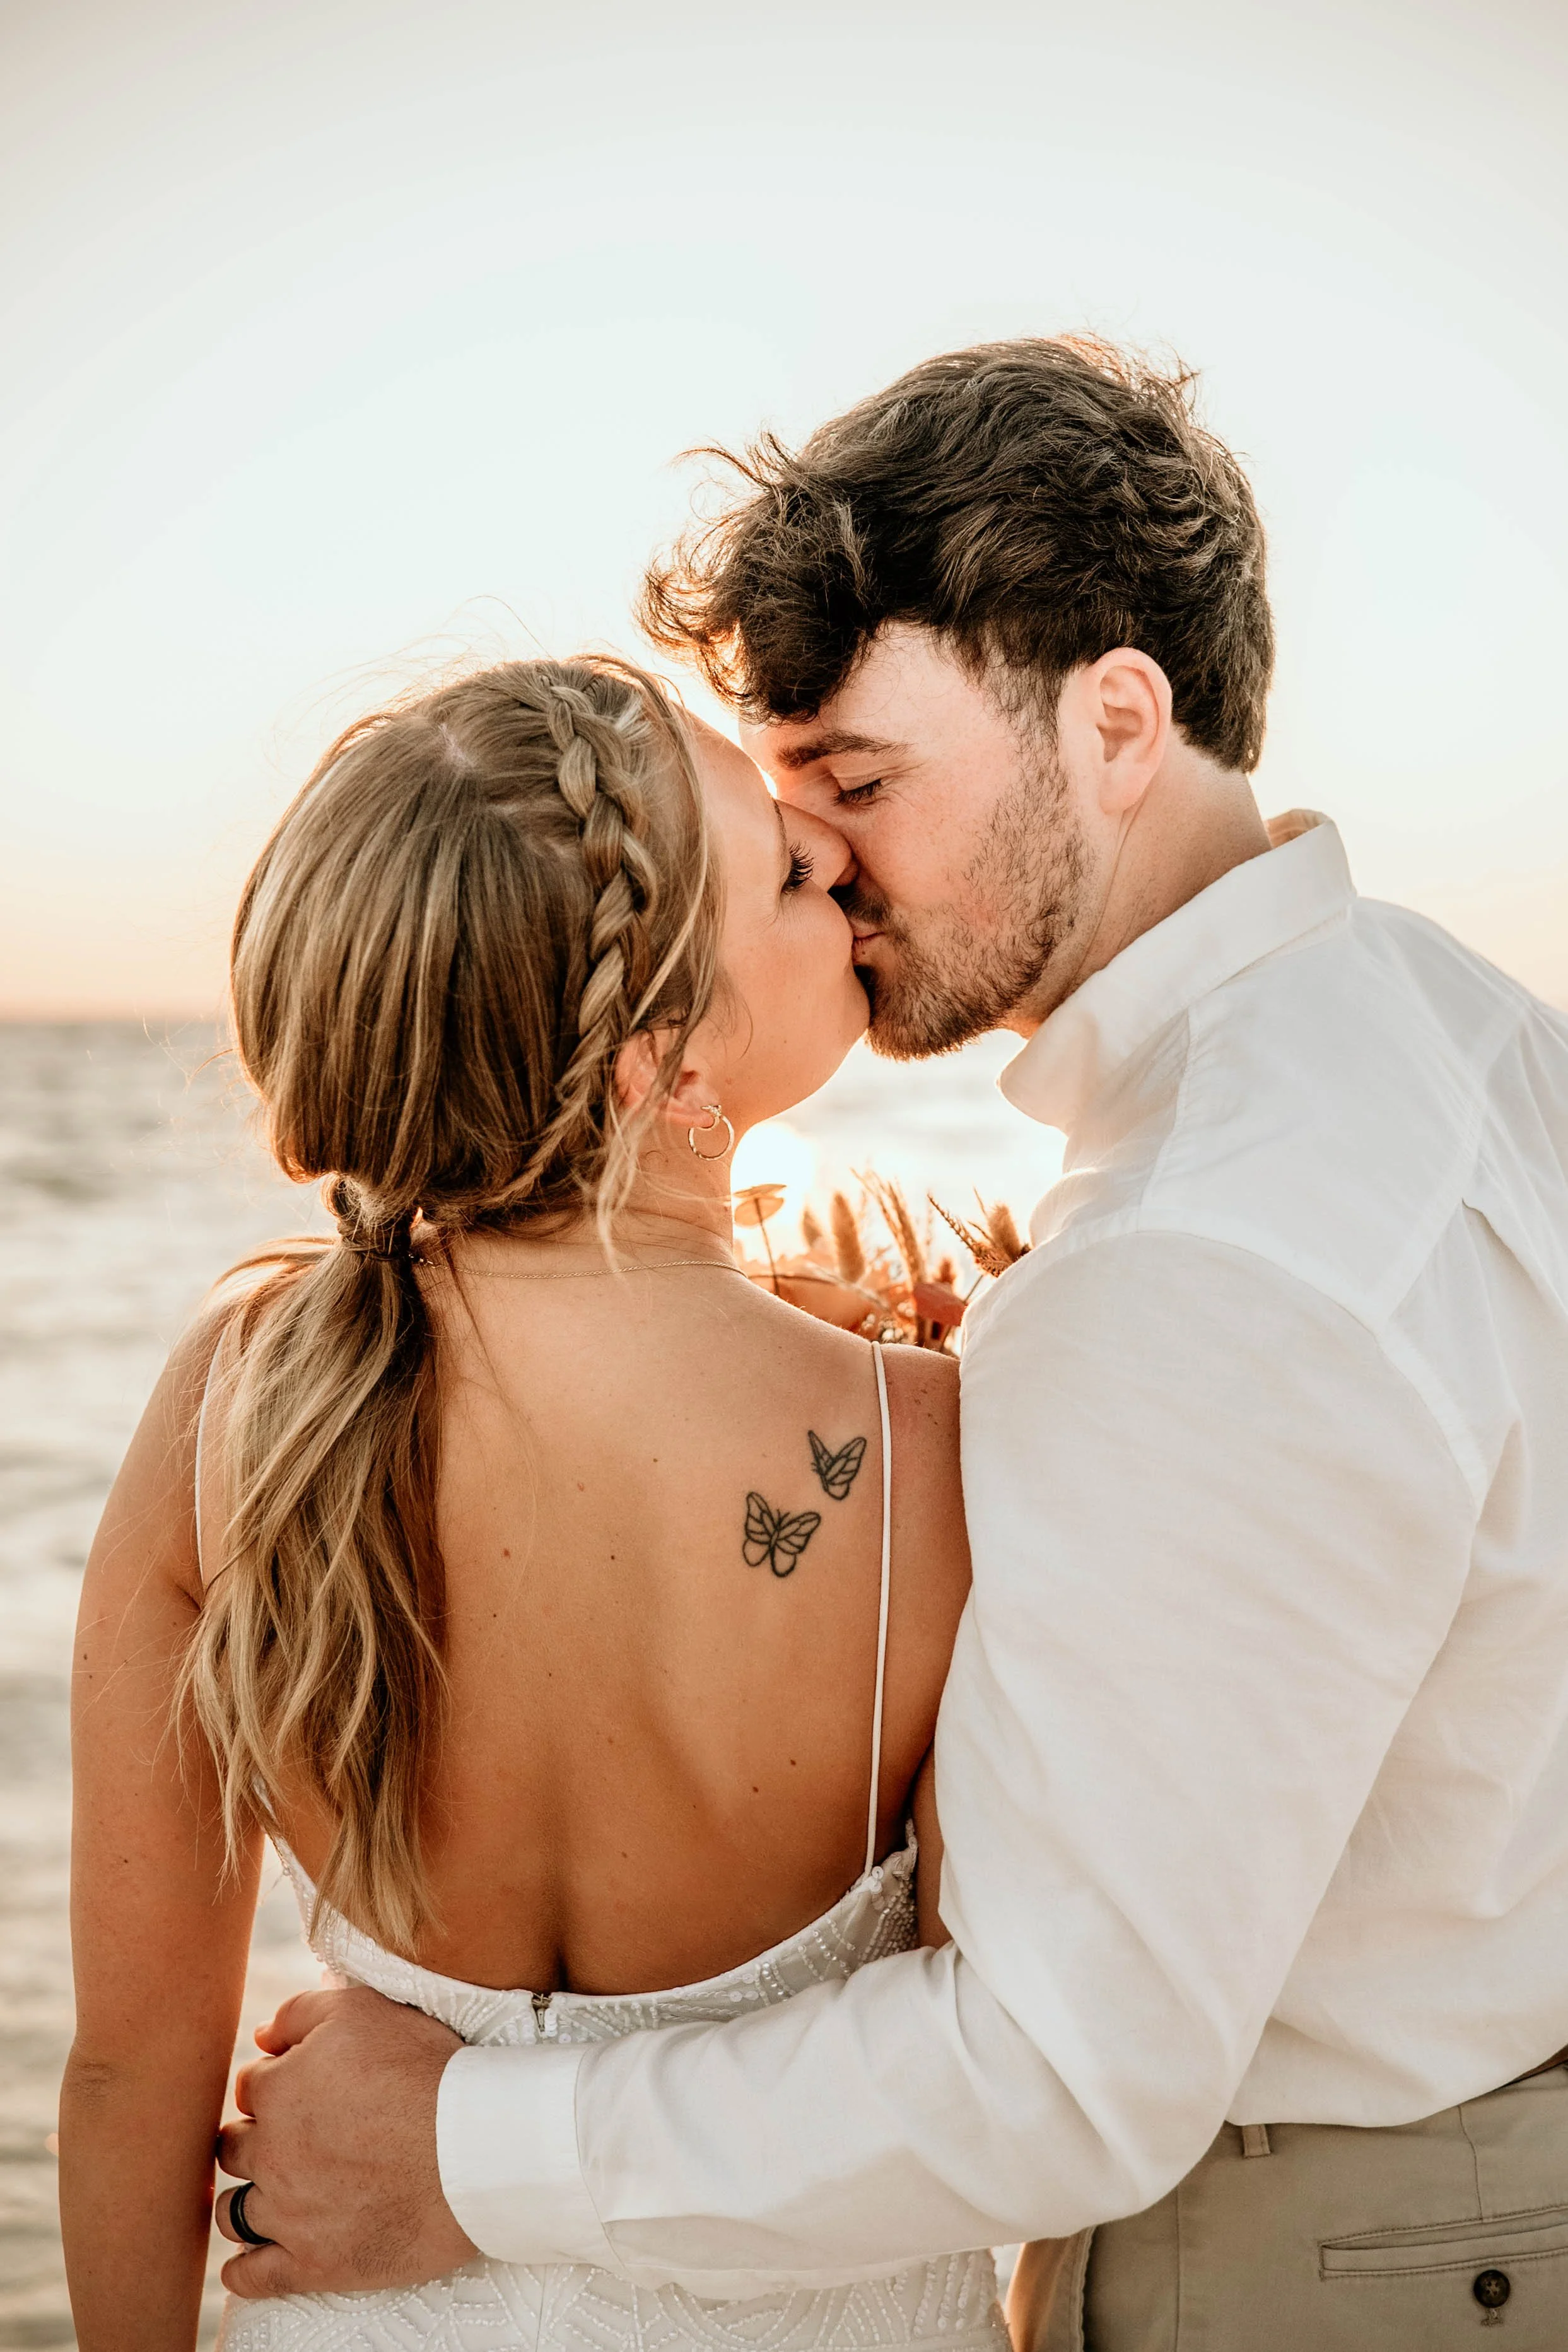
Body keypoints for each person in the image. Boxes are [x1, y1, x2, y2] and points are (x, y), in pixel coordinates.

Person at [215, 338, 1568, 2349]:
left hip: (1329, 2271)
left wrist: (460, 2157)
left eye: (855, 783)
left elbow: (1058, 2075)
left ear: (1115, 721)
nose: (824, 865)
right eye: (783, 804)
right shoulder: (1455, 1034)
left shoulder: (1196, 1262)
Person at [61, 654, 1009, 2352]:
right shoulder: (929, 1449)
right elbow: (991, 2083)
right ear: (664, 1066)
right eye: (787, 875)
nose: (837, 860)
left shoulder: (242, 1403)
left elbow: (135, 2070)